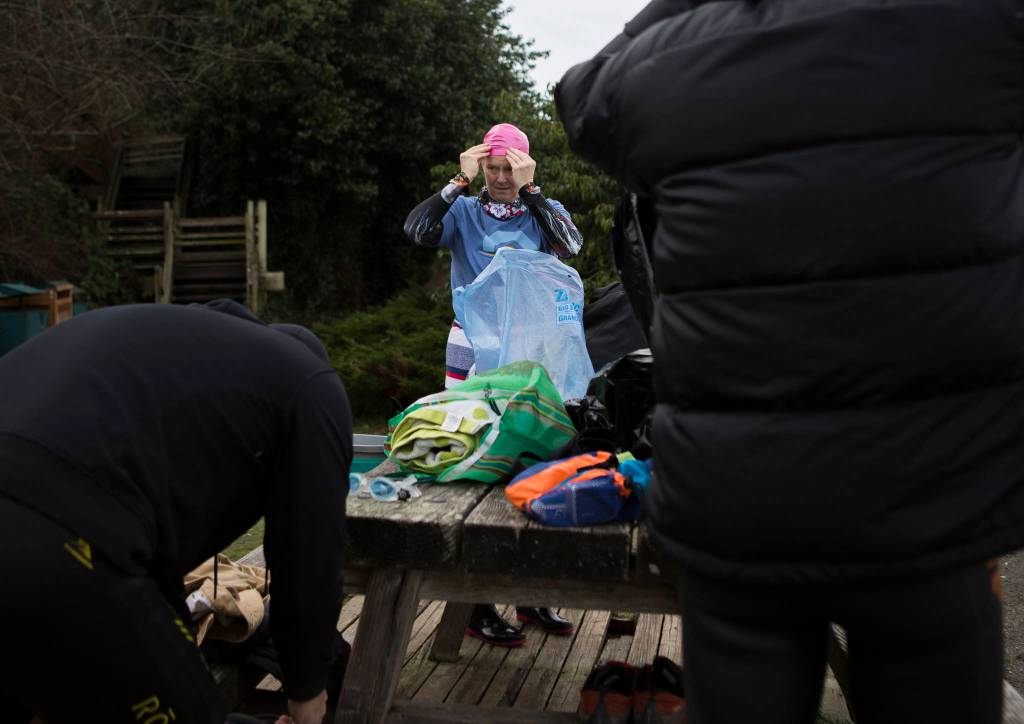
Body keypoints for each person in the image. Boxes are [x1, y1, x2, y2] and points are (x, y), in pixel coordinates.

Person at [556, 1, 1024, 722]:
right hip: (931, 505)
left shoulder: (666, 65)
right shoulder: (974, 25)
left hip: (737, 519)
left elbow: (580, 100)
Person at [0, 300, 352, 724]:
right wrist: (307, 692)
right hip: (60, 536)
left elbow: (152, 570)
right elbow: (308, 557)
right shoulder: (308, 384)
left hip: (53, 529)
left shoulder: (166, 358)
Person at [403, 123, 583, 646]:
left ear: (526, 167)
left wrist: (533, 192)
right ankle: (475, 606)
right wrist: (456, 181)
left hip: (530, 355)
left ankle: (530, 595)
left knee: (534, 464)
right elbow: (415, 232)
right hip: (472, 352)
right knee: (474, 462)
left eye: (511, 168)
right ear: (481, 165)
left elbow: (570, 245)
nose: (501, 178)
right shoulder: (462, 209)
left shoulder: (542, 209)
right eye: (493, 167)